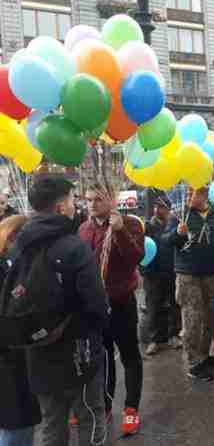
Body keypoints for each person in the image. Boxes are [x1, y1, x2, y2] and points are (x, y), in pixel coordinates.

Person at [22, 176, 109, 445]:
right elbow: (97, 305)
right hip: (77, 353)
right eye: (72, 200)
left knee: (51, 425)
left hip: (36, 352)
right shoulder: (74, 247)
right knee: (90, 418)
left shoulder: (18, 244)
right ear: (61, 207)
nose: (76, 205)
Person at [79, 182, 145, 435]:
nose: (91, 204)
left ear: (111, 199)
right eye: (88, 200)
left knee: (129, 356)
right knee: (103, 358)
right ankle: (105, 406)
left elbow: (135, 257)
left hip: (121, 302)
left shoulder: (130, 224)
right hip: (95, 305)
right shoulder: (84, 228)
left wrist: (119, 232)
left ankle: (131, 409)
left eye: (97, 199)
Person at [164, 186, 214, 382]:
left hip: (211, 274)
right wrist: (177, 233)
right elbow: (166, 240)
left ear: (204, 194)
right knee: (192, 320)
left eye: (192, 193)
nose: (187, 197)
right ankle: (193, 363)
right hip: (188, 275)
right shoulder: (179, 214)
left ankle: (205, 355)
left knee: (211, 318)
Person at [0, 215, 41, 446]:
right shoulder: (8, 268)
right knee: (17, 426)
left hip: (11, 357)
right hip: (9, 360)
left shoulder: (10, 265)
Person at [143, 194, 182, 356]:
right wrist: (143, 269)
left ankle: (174, 335)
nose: (157, 209)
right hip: (153, 273)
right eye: (155, 206)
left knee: (175, 305)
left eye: (161, 207)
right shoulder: (148, 226)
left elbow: (181, 244)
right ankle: (154, 340)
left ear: (168, 209)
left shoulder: (175, 225)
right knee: (153, 306)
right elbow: (142, 248)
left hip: (171, 270)